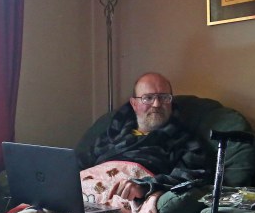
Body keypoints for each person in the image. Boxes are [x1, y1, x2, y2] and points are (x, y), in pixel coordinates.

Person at [81, 72, 210, 201]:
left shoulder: (184, 140)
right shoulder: (112, 134)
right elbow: (79, 165)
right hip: (88, 197)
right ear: (134, 104)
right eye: (148, 98)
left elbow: (193, 177)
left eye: (164, 97)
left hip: (127, 201)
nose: (157, 104)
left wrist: (146, 186)